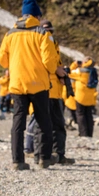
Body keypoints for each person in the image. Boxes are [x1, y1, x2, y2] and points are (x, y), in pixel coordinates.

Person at [0, 0, 63, 170]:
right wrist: (49, 71)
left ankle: (17, 161)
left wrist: (16, 65)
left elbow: (2, 60)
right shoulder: (43, 33)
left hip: (17, 84)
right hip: (38, 84)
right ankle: (44, 159)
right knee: (43, 120)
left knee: (18, 121)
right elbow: (49, 62)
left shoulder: (10, 34)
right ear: (37, 16)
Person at [36, 19, 75, 164]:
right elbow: (47, 64)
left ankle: (51, 155)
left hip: (52, 89)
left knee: (48, 124)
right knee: (52, 124)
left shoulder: (51, 44)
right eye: (46, 31)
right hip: (47, 89)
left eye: (50, 31)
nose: (48, 33)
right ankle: (48, 155)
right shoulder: (43, 43)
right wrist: (58, 71)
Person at [69, 56, 98, 137]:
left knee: (80, 114)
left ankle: (83, 133)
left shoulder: (80, 71)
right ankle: (90, 133)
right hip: (90, 97)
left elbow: (69, 73)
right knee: (89, 115)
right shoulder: (94, 71)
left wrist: (74, 64)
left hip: (80, 96)